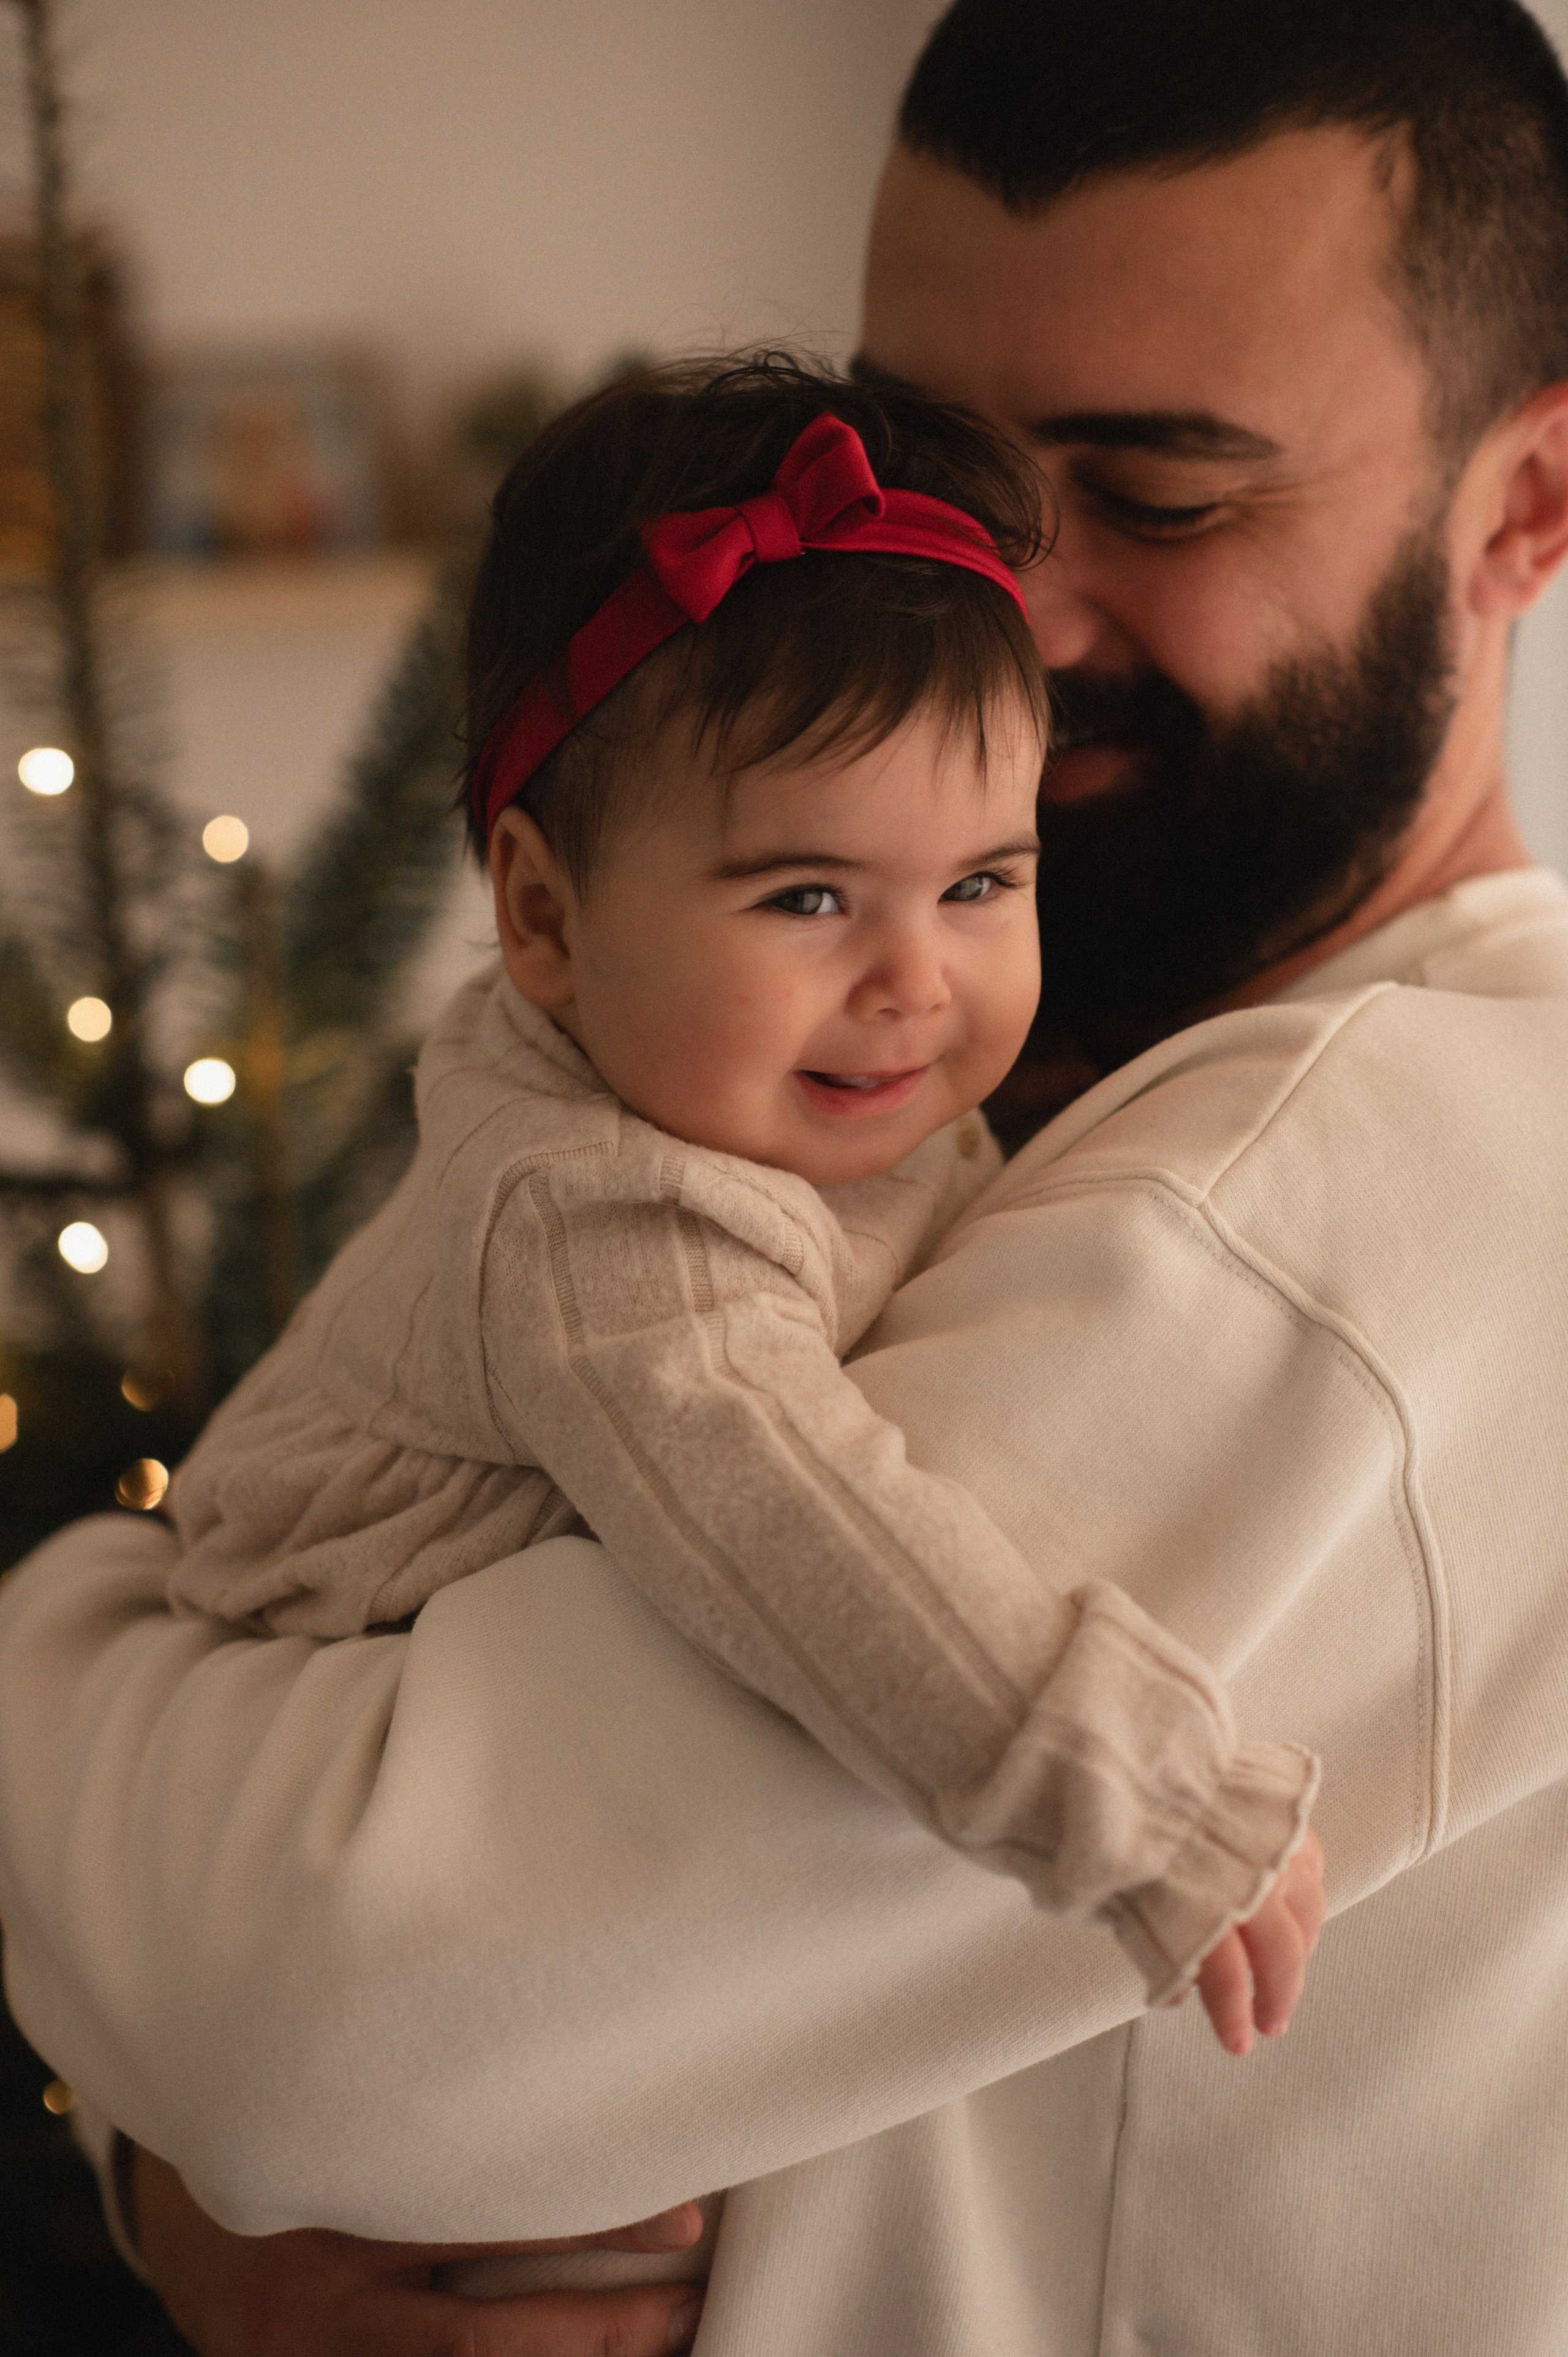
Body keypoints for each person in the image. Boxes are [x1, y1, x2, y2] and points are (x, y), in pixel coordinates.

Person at [4, 0, 1568, 2350]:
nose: (994, 625)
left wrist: (69, 1686)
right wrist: (194, 2183)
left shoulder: (1379, 1184)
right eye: (934, 489)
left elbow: (341, 2006)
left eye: (1159, 497)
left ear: (1530, 508)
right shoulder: (937, 1120)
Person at [167, 358, 1319, 2030]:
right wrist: (1150, 1806)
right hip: (306, 1770)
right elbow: (811, 1537)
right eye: (805, 895)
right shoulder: (605, 1224)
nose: (916, 979)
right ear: (545, 921)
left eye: (984, 879)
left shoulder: (783, 1088)